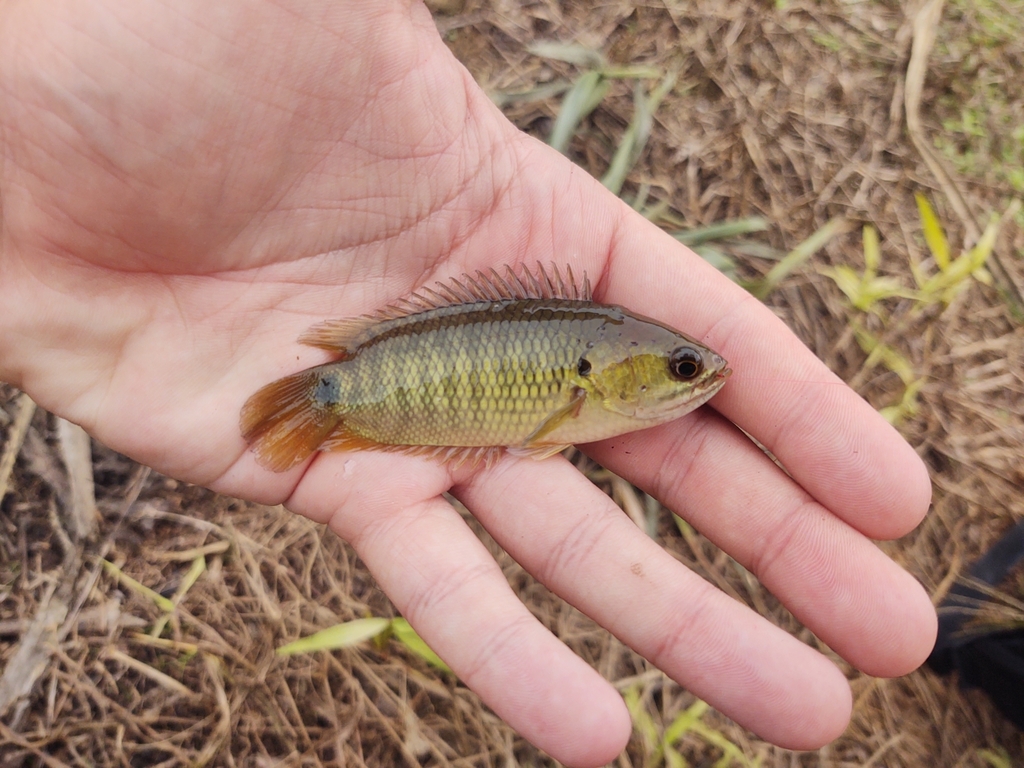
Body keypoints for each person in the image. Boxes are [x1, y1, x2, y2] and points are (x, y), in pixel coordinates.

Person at [0, 1, 936, 765]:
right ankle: (333, 406)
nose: (700, 376)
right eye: (684, 368)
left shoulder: (598, 376)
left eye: (690, 365)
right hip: (356, 380)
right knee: (334, 410)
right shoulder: (577, 377)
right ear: (615, 376)